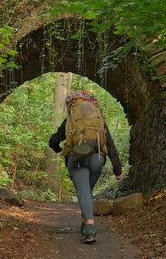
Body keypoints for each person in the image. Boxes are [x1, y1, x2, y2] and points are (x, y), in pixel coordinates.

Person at [48, 90, 123, 244]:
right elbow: (110, 144)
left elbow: (53, 141)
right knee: (86, 192)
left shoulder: (70, 120)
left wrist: (60, 150)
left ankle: (89, 230)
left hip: (77, 159)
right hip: (97, 158)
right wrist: (117, 169)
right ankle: (85, 224)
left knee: (84, 193)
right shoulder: (99, 120)